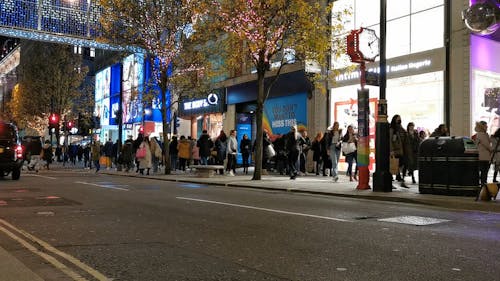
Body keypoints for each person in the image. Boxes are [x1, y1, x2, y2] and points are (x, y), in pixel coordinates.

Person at [390, 115, 409, 188]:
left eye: (400, 119)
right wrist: (391, 150)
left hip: (401, 150)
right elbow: (391, 140)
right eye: (398, 119)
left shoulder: (400, 128)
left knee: (402, 164)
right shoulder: (392, 129)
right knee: (394, 165)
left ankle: (400, 178)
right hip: (395, 150)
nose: (399, 120)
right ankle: (397, 179)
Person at [475, 121, 491, 186]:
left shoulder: (480, 134)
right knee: (484, 172)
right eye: (485, 125)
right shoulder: (482, 134)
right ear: (482, 126)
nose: (487, 127)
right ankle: (483, 186)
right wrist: (492, 149)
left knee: (482, 172)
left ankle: (482, 184)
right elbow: (487, 145)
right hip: (484, 157)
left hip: (481, 156)